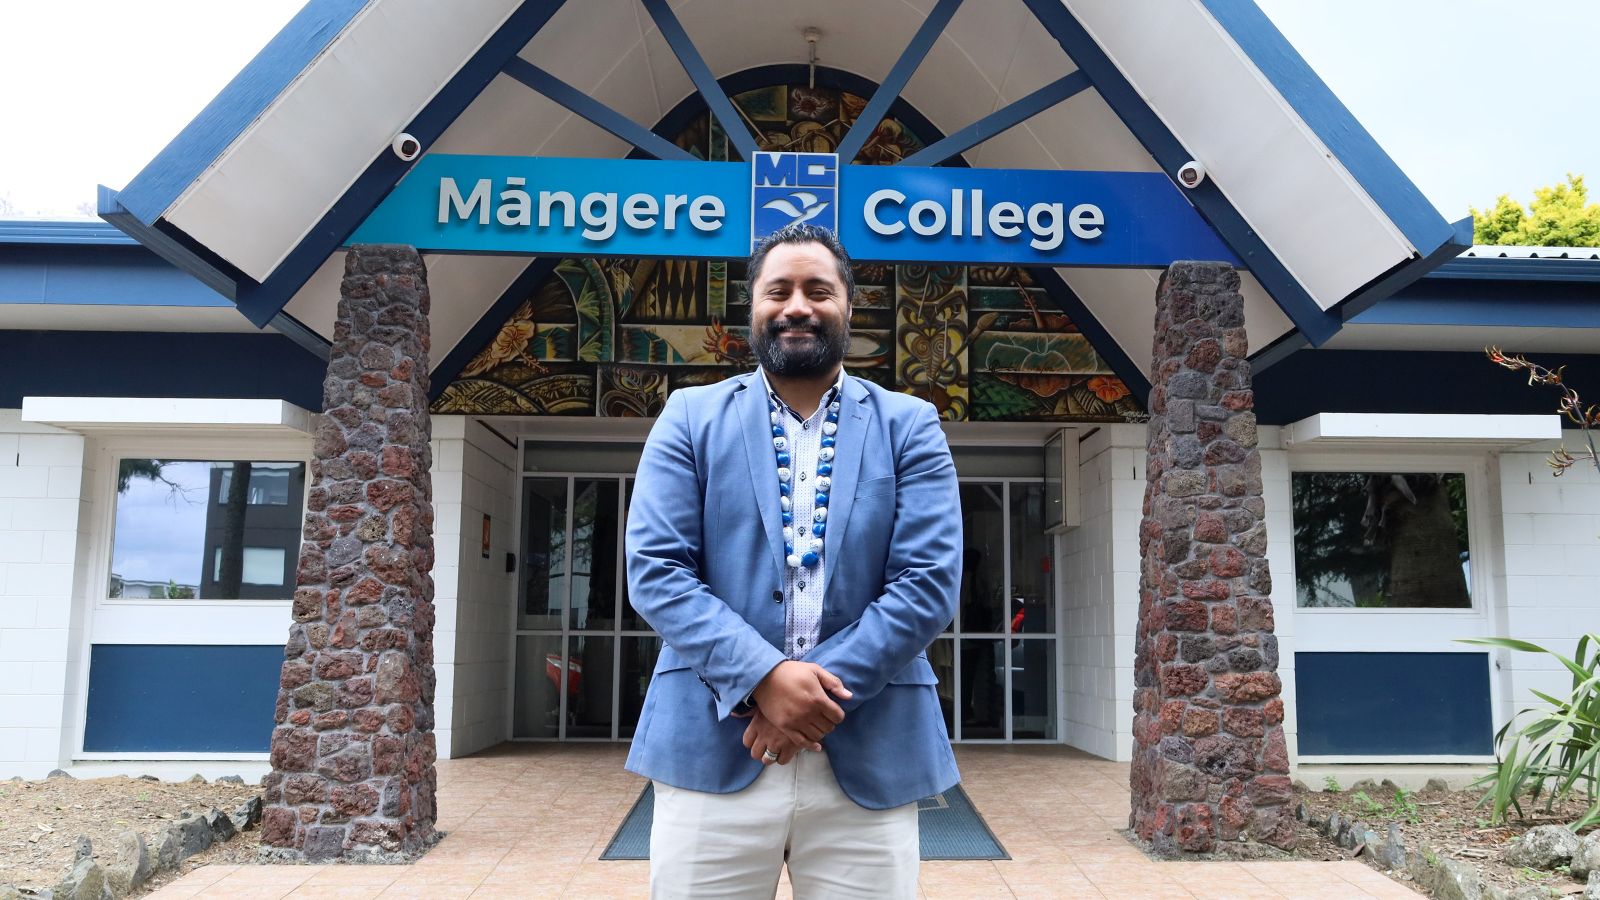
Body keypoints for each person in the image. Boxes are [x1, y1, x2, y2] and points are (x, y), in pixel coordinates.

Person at [624, 222, 962, 898]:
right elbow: (656, 569)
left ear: (848, 307)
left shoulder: (909, 424)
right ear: (753, 307)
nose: (797, 305)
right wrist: (761, 680)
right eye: (778, 290)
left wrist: (804, 698)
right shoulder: (690, 416)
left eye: (818, 290)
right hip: (713, 749)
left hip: (870, 754)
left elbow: (927, 584)